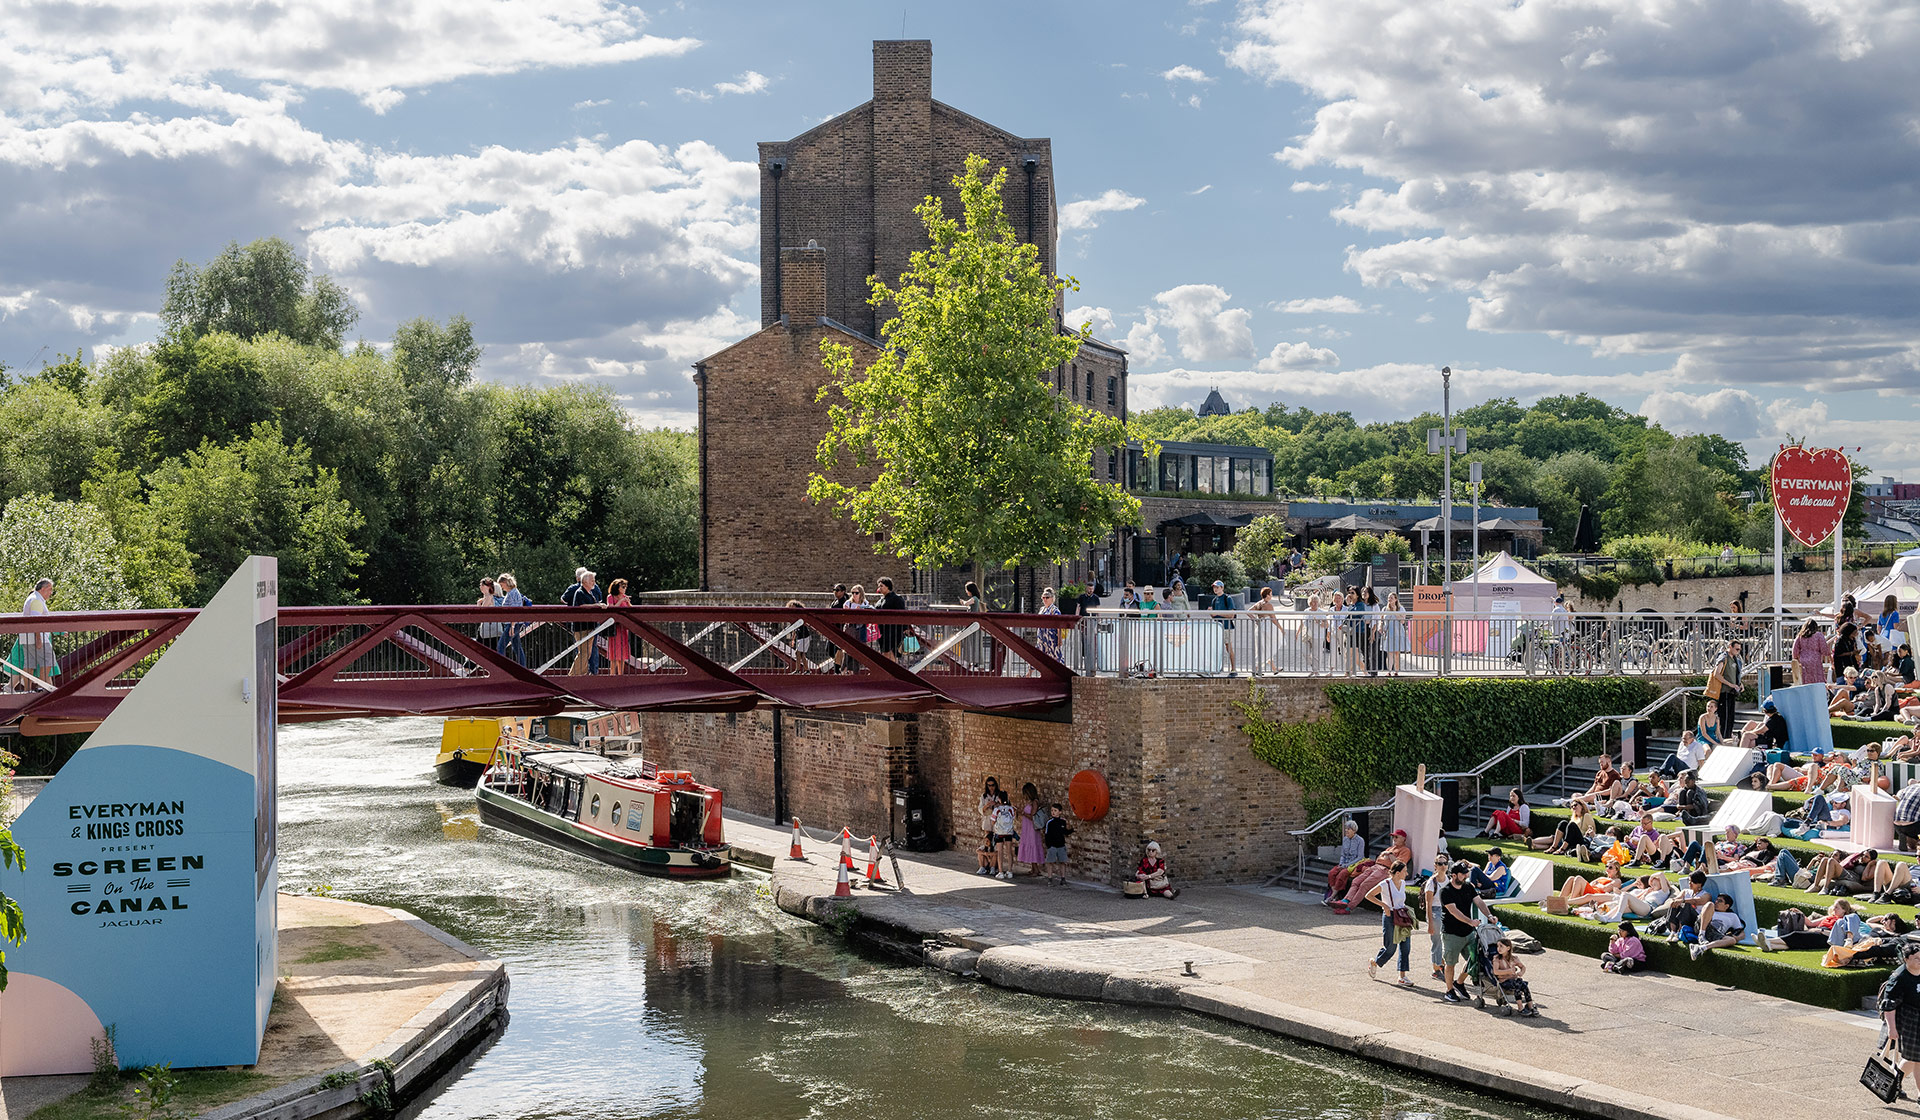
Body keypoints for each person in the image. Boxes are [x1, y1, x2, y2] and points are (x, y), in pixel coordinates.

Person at [1437, 861, 1497, 1004]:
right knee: (1451, 963)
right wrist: (1470, 921)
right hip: (1451, 933)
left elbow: (1479, 902)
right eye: (1463, 874)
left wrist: (1489, 916)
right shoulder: (1445, 892)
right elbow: (1453, 911)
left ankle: (1459, 982)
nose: (1466, 876)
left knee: (1474, 959)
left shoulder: (1468, 887)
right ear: (1453, 875)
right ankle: (1449, 990)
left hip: (1468, 933)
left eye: (1466, 873)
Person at [1334, 829, 1412, 913]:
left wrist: (1389, 854)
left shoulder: (1405, 850)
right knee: (1356, 881)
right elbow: (1380, 858)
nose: (1394, 839)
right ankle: (1345, 901)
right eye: (1393, 837)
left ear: (1403, 839)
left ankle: (1348, 908)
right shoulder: (1390, 848)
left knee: (1364, 885)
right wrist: (1388, 855)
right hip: (1375, 867)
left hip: (1384, 870)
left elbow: (1398, 864)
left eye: (1396, 837)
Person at [1365, 860, 1415, 986]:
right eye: (1404, 871)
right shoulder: (1385, 884)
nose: (1407, 873)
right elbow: (1368, 895)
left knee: (1406, 947)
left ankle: (1402, 976)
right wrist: (1384, 906)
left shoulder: (1403, 883)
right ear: (1397, 873)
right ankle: (1375, 962)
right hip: (1390, 916)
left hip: (1402, 916)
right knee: (1390, 947)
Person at [1882, 942, 1920, 1084]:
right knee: (1914, 1058)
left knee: (1915, 1059)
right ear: (1906, 959)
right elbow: (1888, 1005)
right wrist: (1892, 1029)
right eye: (1916, 958)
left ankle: (1893, 1085)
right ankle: (1894, 1085)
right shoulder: (1899, 977)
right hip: (1907, 1021)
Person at [561, 568, 607, 675]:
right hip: (581, 627)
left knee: (588, 652)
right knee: (584, 652)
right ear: (585, 581)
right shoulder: (580, 592)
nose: (594, 583)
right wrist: (597, 605)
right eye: (592, 580)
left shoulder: (589, 592)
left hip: (590, 626)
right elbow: (581, 606)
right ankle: (572, 677)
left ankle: (581, 674)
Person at [14, 578, 57, 687]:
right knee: (48, 661)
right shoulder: (37, 601)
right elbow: (35, 620)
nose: (51, 593)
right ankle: (42, 688)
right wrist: (39, 639)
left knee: (29, 664)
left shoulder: (32, 598)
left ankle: (27, 692)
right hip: (38, 637)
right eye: (50, 589)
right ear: (43, 589)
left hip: (27, 637)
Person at [1489, 938, 1539, 1016]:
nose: (1498, 948)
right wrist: (1510, 971)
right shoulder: (1497, 958)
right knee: (1518, 984)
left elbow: (1523, 967)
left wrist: (1521, 972)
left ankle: (1530, 1006)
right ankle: (1520, 1007)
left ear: (1508, 948)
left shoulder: (1514, 958)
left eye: (1501, 946)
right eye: (1497, 946)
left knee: (1523, 985)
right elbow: (1496, 971)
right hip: (1504, 981)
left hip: (1514, 980)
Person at [1689, 893, 1746, 959]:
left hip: (1714, 934)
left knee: (1732, 940)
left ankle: (1701, 948)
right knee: (1710, 904)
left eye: (1720, 901)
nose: (1716, 902)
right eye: (1716, 900)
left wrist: (1737, 938)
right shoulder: (1710, 909)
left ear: (1726, 906)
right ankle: (1701, 935)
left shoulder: (1732, 916)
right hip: (1702, 926)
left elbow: (1742, 933)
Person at [1324, 819, 1367, 901]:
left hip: (1353, 864)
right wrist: (1341, 864)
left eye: (1348, 829)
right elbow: (1342, 855)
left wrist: (1346, 866)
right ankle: (1335, 894)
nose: (1346, 830)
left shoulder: (1360, 841)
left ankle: (1332, 897)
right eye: (1346, 828)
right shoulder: (1345, 839)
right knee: (1331, 873)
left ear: (1354, 830)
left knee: (1342, 875)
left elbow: (1360, 857)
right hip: (1344, 863)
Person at [1710, 639, 1742, 736]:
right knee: (1724, 717)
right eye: (1736, 649)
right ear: (1730, 647)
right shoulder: (1724, 657)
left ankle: (1728, 736)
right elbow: (1717, 674)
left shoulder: (1736, 660)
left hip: (1732, 691)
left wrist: (1740, 684)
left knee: (1731, 717)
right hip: (1725, 691)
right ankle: (1723, 737)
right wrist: (1730, 684)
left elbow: (1736, 675)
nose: (1738, 651)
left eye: (1739, 650)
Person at [1207, 580, 1239, 674]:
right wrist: (1211, 613)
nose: (1215, 589)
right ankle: (1216, 667)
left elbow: (1231, 614)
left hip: (1226, 626)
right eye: (1214, 587)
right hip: (1217, 627)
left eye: (1217, 587)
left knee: (1228, 647)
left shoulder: (1227, 598)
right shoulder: (1214, 600)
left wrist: (1217, 613)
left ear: (1222, 588)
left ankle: (1233, 668)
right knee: (1216, 647)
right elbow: (1214, 615)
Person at [495, 573, 527, 665]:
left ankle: (501, 668)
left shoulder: (513, 593)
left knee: (501, 646)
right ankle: (523, 668)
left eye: (501, 585)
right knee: (517, 647)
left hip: (513, 624)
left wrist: (512, 626)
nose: (501, 588)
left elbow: (514, 611)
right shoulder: (512, 592)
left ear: (505, 582)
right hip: (514, 623)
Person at [1249, 586, 1283, 673]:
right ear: (1267, 595)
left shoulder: (1259, 603)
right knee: (1268, 647)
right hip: (1268, 627)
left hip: (1260, 627)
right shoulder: (1269, 605)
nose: (1271, 596)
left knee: (1264, 648)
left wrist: (1255, 620)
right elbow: (1274, 619)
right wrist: (1281, 628)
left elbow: (1248, 611)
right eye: (1270, 594)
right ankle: (1256, 669)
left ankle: (1274, 669)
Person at [603, 578, 633, 674]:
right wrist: (621, 601)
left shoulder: (624, 596)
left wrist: (628, 602)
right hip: (615, 628)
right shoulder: (610, 597)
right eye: (623, 587)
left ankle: (621, 675)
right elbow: (611, 608)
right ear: (617, 587)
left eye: (625, 587)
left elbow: (631, 609)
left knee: (622, 653)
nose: (625, 589)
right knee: (614, 653)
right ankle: (612, 674)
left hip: (623, 628)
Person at [873, 576, 907, 660]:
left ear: (888, 586)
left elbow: (902, 614)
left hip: (893, 631)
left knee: (891, 652)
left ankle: (894, 671)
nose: (879, 588)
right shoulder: (880, 601)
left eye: (881, 586)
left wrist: (905, 628)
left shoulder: (896, 598)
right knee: (885, 652)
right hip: (882, 631)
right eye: (879, 586)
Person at [974, 777, 1003, 876]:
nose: (991, 788)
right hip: (987, 821)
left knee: (996, 844)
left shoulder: (999, 795)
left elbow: (1004, 806)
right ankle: (984, 865)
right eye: (989, 785)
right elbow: (980, 809)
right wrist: (987, 805)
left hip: (996, 823)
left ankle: (994, 866)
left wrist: (996, 804)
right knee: (987, 842)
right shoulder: (984, 796)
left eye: (993, 785)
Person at [1015, 783, 1045, 875]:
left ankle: (1036, 869)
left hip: (1032, 828)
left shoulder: (1035, 802)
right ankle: (1033, 868)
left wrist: (1022, 813)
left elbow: (1032, 816)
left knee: (1033, 846)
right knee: (1029, 845)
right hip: (1027, 827)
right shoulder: (1030, 802)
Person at [1791, 618, 1831, 686]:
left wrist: (1796, 658)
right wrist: (1828, 652)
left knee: (1805, 679)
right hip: (1815, 660)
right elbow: (1824, 650)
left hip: (1803, 660)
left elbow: (1795, 650)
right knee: (1817, 679)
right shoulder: (1818, 635)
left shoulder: (1800, 636)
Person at [1379, 589, 1409, 676]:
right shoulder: (1384, 609)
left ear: (1396, 599)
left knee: (1396, 653)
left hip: (1398, 633)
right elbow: (1381, 619)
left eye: (1391, 598)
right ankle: (1389, 671)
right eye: (1389, 598)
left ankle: (1396, 671)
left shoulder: (1401, 608)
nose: (1389, 599)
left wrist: (1395, 611)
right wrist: (1381, 626)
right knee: (1389, 653)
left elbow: (1402, 621)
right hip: (1388, 632)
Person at [990, 791, 1018, 880]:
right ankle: (1010, 871)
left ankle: (1001, 872)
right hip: (1009, 832)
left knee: (1000, 852)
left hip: (999, 833)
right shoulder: (1010, 809)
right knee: (1009, 852)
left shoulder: (997, 809)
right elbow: (1013, 818)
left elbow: (993, 821)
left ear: (999, 799)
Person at [1042, 803, 1071, 885]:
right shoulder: (1049, 823)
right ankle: (1050, 878)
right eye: (1052, 811)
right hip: (1052, 846)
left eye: (1055, 811)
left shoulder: (1062, 822)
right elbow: (1047, 834)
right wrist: (1049, 845)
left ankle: (1063, 878)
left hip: (1061, 845)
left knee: (1063, 862)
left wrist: (1071, 830)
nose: (1053, 812)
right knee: (1050, 862)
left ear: (1060, 812)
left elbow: (1064, 832)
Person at [1035, 587, 1063, 662]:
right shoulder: (1042, 609)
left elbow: (1059, 624)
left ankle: (1062, 672)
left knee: (1056, 655)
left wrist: (1059, 638)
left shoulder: (1055, 610)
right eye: (1043, 597)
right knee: (1038, 655)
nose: (1045, 599)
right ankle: (1029, 673)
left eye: (1047, 597)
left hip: (1051, 637)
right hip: (1041, 636)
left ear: (1052, 598)